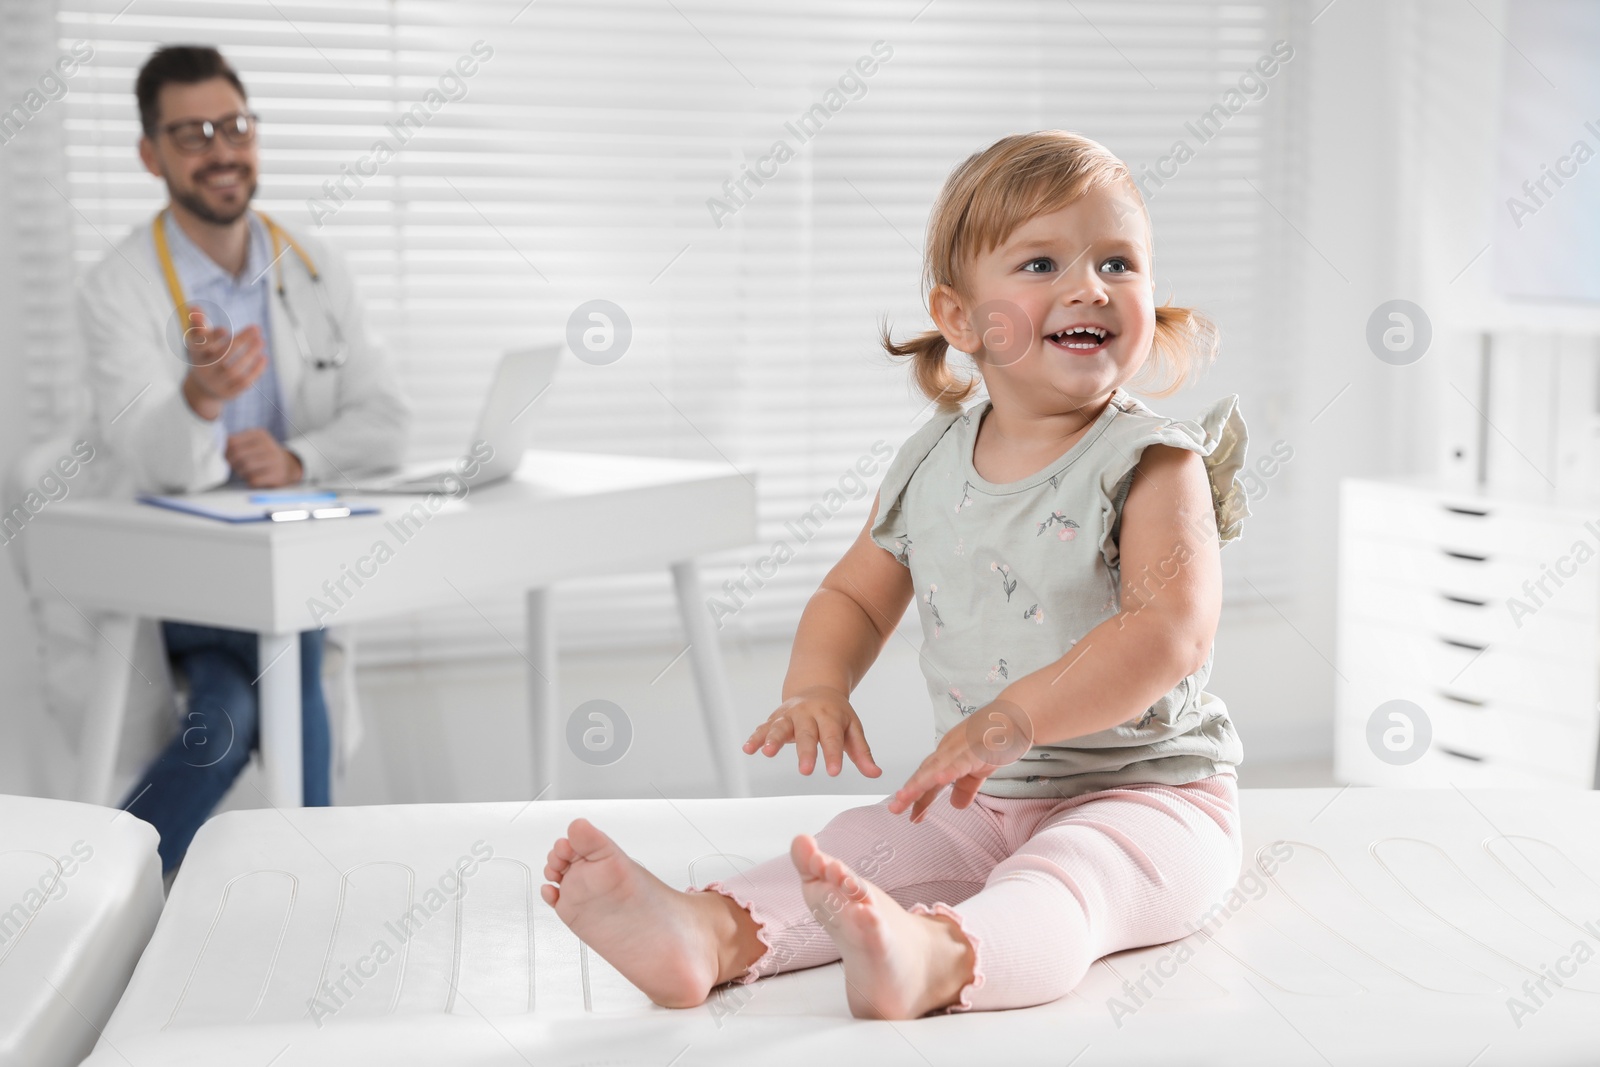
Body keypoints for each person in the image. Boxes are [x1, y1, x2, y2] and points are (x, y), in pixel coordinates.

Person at [539, 130, 1252, 1017]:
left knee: (1072, 877)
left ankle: (941, 955)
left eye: (1119, 261)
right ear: (959, 318)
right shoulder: (935, 460)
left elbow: (1167, 634)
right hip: (983, 796)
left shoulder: (1152, 462)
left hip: (1150, 796)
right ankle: (709, 932)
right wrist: (817, 684)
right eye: (1041, 264)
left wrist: (1013, 718)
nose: (1089, 287)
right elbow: (854, 593)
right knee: (863, 842)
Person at [77, 46, 408, 873]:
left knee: (227, 713)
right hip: (178, 575)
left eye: (234, 125)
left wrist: (299, 456)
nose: (221, 149)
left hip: (280, 549)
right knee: (288, 637)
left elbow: (387, 422)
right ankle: (319, 872)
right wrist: (201, 398)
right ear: (151, 155)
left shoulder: (316, 266)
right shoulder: (116, 289)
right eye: (191, 134)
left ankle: (93, 892)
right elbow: (148, 457)